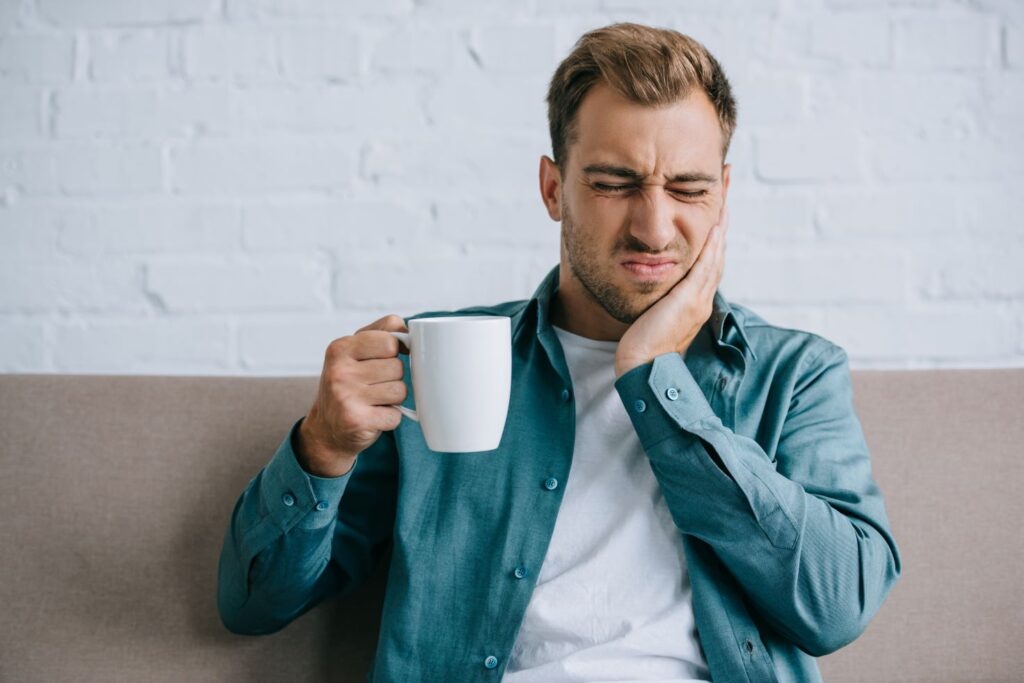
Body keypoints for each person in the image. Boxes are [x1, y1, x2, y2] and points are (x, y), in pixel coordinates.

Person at [217, 22, 901, 682]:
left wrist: (655, 376)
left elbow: (836, 607)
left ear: (723, 195)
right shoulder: (433, 362)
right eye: (613, 183)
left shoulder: (796, 374)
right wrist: (322, 448)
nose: (654, 226)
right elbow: (254, 604)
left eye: (689, 189)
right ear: (553, 188)